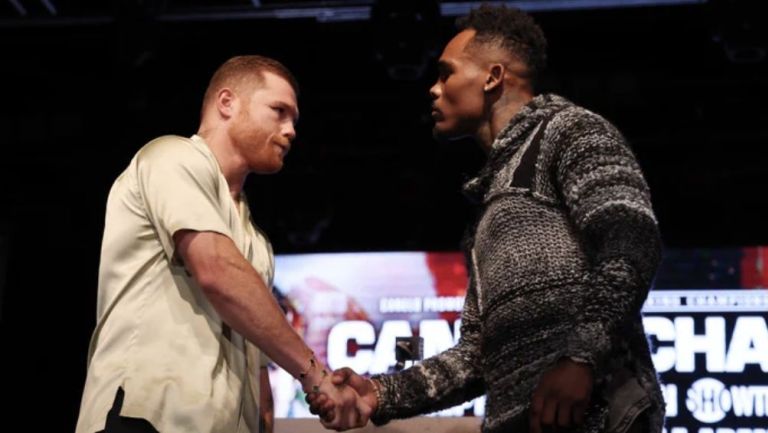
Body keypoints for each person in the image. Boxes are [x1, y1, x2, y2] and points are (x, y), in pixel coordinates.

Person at [309, 4, 665, 433]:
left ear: (493, 77)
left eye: (446, 74)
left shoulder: (571, 130)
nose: (434, 89)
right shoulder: (490, 202)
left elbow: (631, 242)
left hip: (602, 415)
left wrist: (581, 356)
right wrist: (380, 393)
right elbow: (477, 356)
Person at [75, 55, 368, 433]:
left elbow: (257, 362)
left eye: (294, 119)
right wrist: (315, 373)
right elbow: (217, 270)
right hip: (144, 416)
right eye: (279, 111)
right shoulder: (171, 156)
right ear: (227, 103)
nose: (291, 130)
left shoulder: (255, 240)